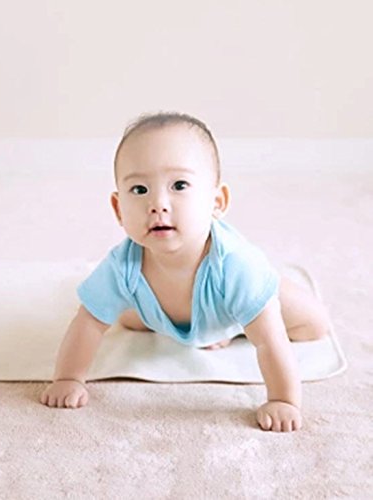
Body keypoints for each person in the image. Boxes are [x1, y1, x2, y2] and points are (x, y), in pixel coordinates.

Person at [39, 111, 330, 432]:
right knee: (124, 318)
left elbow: (270, 340)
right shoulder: (123, 265)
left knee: (313, 324)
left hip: (230, 307)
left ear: (217, 202)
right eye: (139, 189)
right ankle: (195, 327)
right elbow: (88, 323)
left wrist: (283, 400)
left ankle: (238, 325)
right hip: (168, 313)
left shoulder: (236, 265)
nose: (158, 204)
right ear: (118, 209)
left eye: (179, 185)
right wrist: (68, 378)